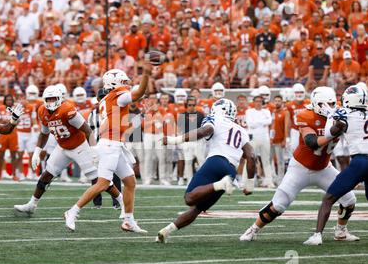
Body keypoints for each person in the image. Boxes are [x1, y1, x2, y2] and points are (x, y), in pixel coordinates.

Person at [240, 86, 358, 242]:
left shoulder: (340, 114)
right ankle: (253, 229)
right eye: (326, 104)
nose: (331, 107)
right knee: (278, 205)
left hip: (324, 168)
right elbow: (312, 142)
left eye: (332, 103)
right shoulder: (306, 115)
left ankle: (340, 231)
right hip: (300, 168)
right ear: (317, 103)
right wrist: (333, 133)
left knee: (349, 200)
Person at [63, 63, 152, 233]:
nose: (127, 83)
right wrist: (146, 74)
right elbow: (139, 93)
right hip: (109, 144)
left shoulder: (110, 99)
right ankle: (72, 211)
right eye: (124, 81)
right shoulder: (117, 95)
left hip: (114, 144)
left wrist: (142, 115)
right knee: (103, 184)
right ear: (115, 83)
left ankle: (128, 221)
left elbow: (125, 124)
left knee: (130, 182)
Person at [156, 99, 256, 243]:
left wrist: (174, 140)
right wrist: (250, 185)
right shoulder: (241, 130)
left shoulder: (215, 118)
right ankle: (166, 231)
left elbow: (205, 131)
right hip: (231, 172)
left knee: (189, 198)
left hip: (216, 161)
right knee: (197, 208)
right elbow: (251, 156)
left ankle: (220, 184)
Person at [13, 85, 123, 216]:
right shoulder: (42, 111)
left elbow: (88, 130)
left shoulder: (67, 109)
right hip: (62, 147)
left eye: (54, 99)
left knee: (100, 179)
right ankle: (32, 205)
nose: (51, 102)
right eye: (48, 99)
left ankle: (122, 202)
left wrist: (93, 149)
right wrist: (37, 151)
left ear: (59, 99)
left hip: (79, 146)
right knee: (47, 175)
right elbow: (44, 133)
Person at [304, 85, 367, 245]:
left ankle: (317, 235)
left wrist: (332, 116)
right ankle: (339, 232)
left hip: (360, 161)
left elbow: (329, 133)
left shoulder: (343, 113)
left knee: (329, 198)